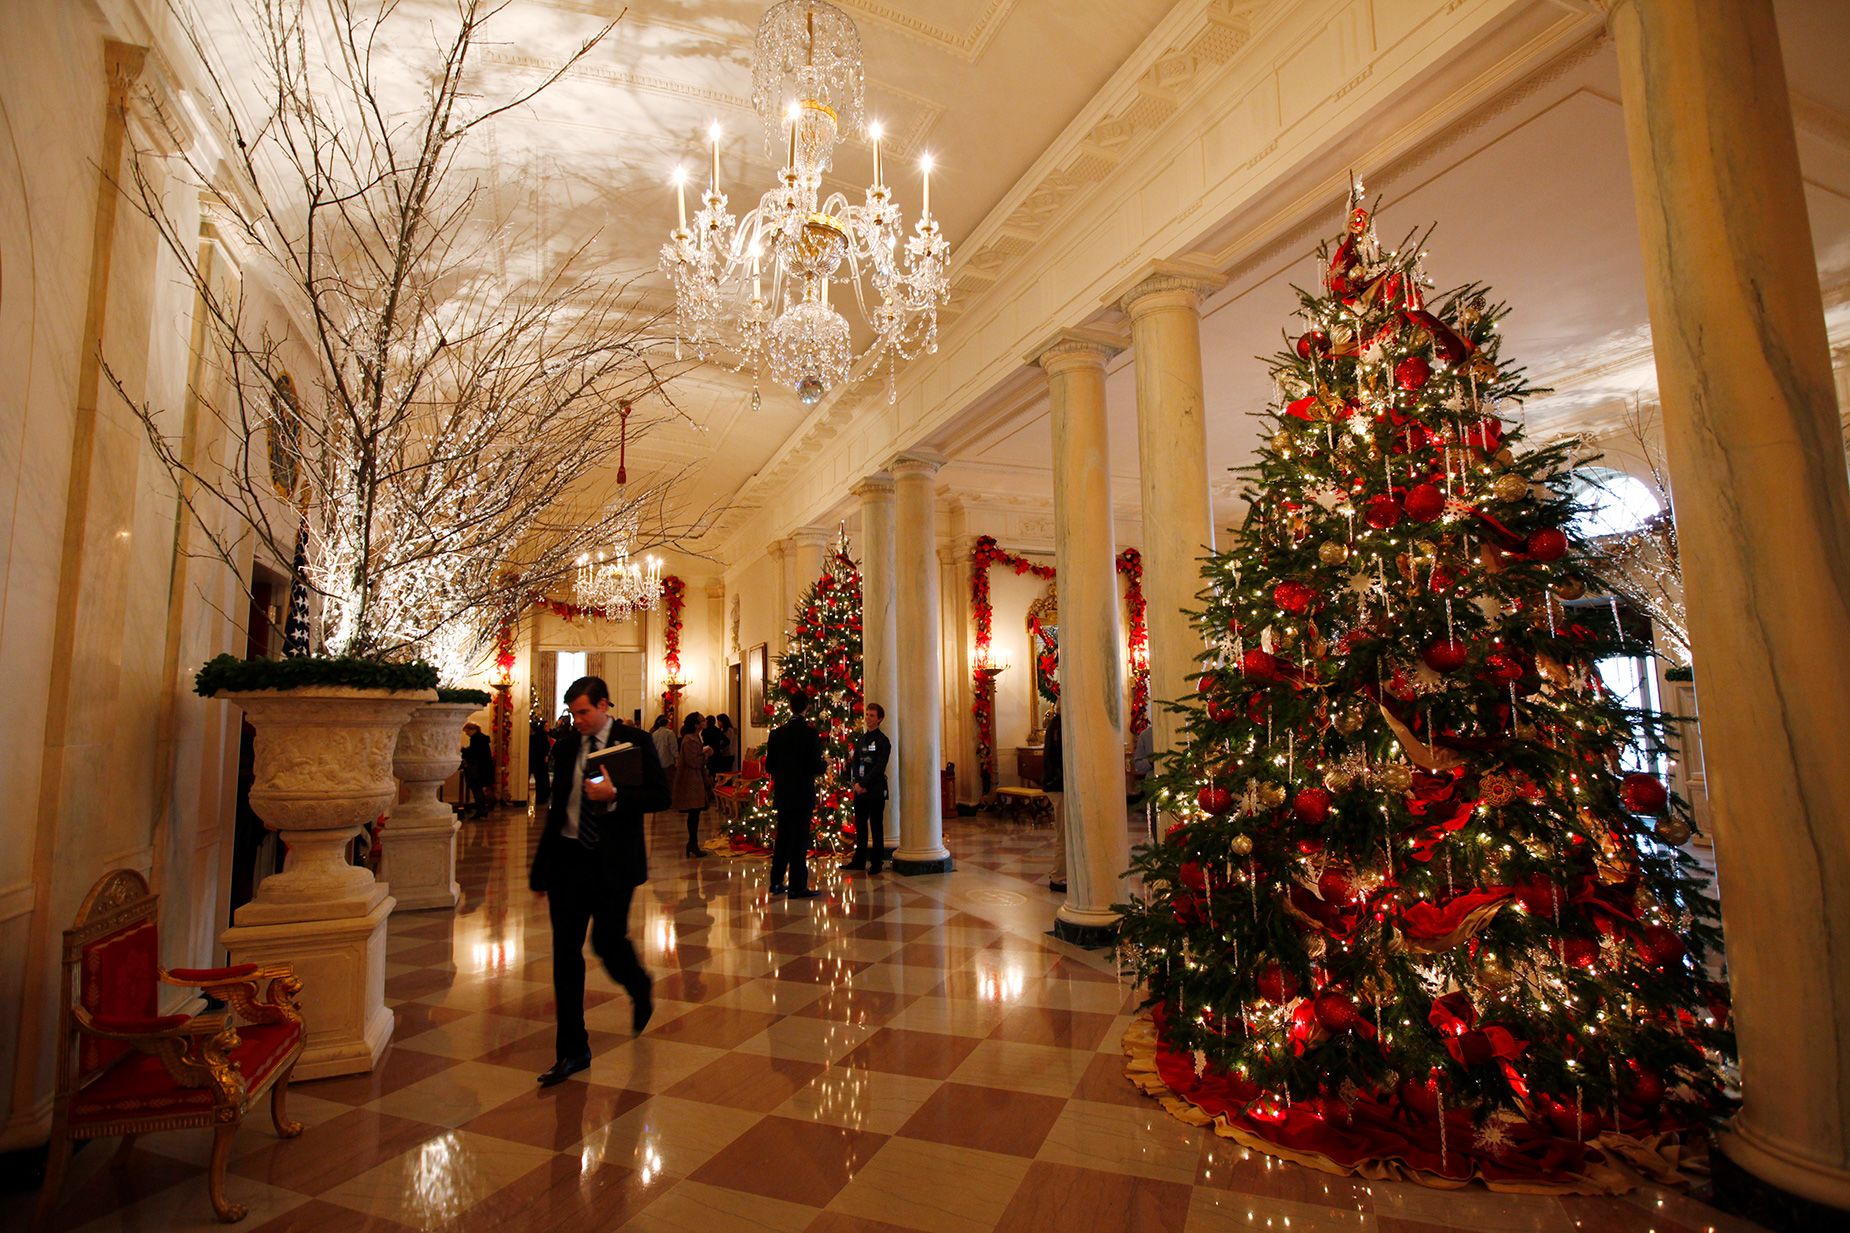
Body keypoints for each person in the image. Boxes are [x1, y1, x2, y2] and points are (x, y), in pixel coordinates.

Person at [528, 676, 667, 1086]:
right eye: (573, 713)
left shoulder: (635, 741)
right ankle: (573, 1050)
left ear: (604, 704)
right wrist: (541, 869)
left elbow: (662, 796)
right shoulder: (569, 744)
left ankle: (639, 985)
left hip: (613, 865)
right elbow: (558, 812)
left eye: (584, 712)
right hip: (569, 861)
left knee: (606, 943)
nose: (579, 720)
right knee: (565, 956)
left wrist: (616, 796)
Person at [764, 692, 826, 898]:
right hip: (802, 793)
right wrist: (825, 764)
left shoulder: (777, 733)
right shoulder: (809, 734)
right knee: (799, 840)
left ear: (790, 706)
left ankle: (776, 882)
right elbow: (815, 766)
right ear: (806, 707)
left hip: (783, 793)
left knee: (782, 837)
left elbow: (769, 766)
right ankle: (798, 885)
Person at [841, 702, 891, 875]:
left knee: (876, 826)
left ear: (879, 719)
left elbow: (879, 767)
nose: (868, 718)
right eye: (867, 714)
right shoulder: (861, 739)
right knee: (860, 826)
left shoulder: (883, 741)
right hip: (860, 790)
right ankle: (859, 860)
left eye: (872, 715)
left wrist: (864, 784)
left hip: (875, 790)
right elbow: (856, 762)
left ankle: (877, 862)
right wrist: (856, 782)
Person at [671, 712, 710, 858]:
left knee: (695, 813)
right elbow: (693, 761)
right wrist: (706, 754)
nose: (705, 721)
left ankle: (692, 843)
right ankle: (692, 843)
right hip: (691, 780)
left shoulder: (694, 738)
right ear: (696, 724)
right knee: (694, 813)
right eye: (702, 720)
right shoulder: (690, 740)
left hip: (695, 779)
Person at [1043, 708, 1067, 893]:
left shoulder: (1057, 724)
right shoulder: (1058, 726)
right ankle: (1059, 877)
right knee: (1063, 834)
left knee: (1065, 833)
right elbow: (1060, 757)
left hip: (1059, 785)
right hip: (1059, 786)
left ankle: (1064, 874)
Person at [462, 722, 495, 818]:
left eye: (467, 731)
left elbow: (474, 754)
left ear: (472, 730)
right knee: (479, 789)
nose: (466, 733)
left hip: (478, 769)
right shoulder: (482, 738)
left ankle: (481, 810)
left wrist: (464, 751)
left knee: (476, 789)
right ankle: (483, 808)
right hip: (484, 768)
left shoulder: (476, 739)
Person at [529, 715, 553, 804]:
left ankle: (543, 796)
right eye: (546, 726)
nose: (548, 727)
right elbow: (540, 748)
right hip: (539, 761)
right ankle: (541, 797)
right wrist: (545, 755)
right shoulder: (540, 737)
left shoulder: (544, 736)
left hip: (542, 761)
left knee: (543, 779)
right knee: (541, 779)